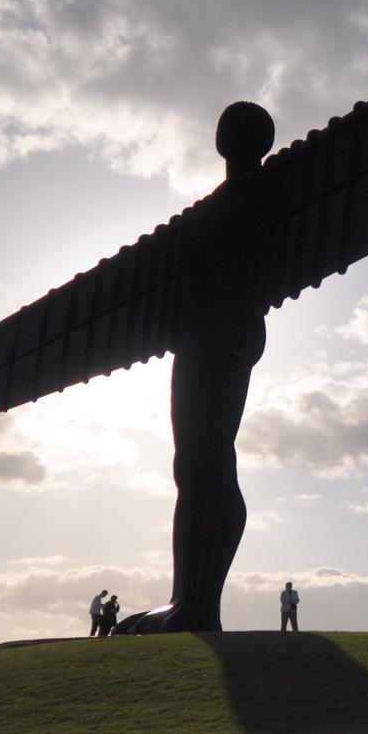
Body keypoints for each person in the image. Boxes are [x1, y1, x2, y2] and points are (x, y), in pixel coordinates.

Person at [117, 102, 274, 635]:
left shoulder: (268, 192)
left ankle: (198, 605)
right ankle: (188, 598)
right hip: (202, 334)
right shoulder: (209, 211)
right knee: (192, 463)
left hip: (224, 333)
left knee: (207, 459)